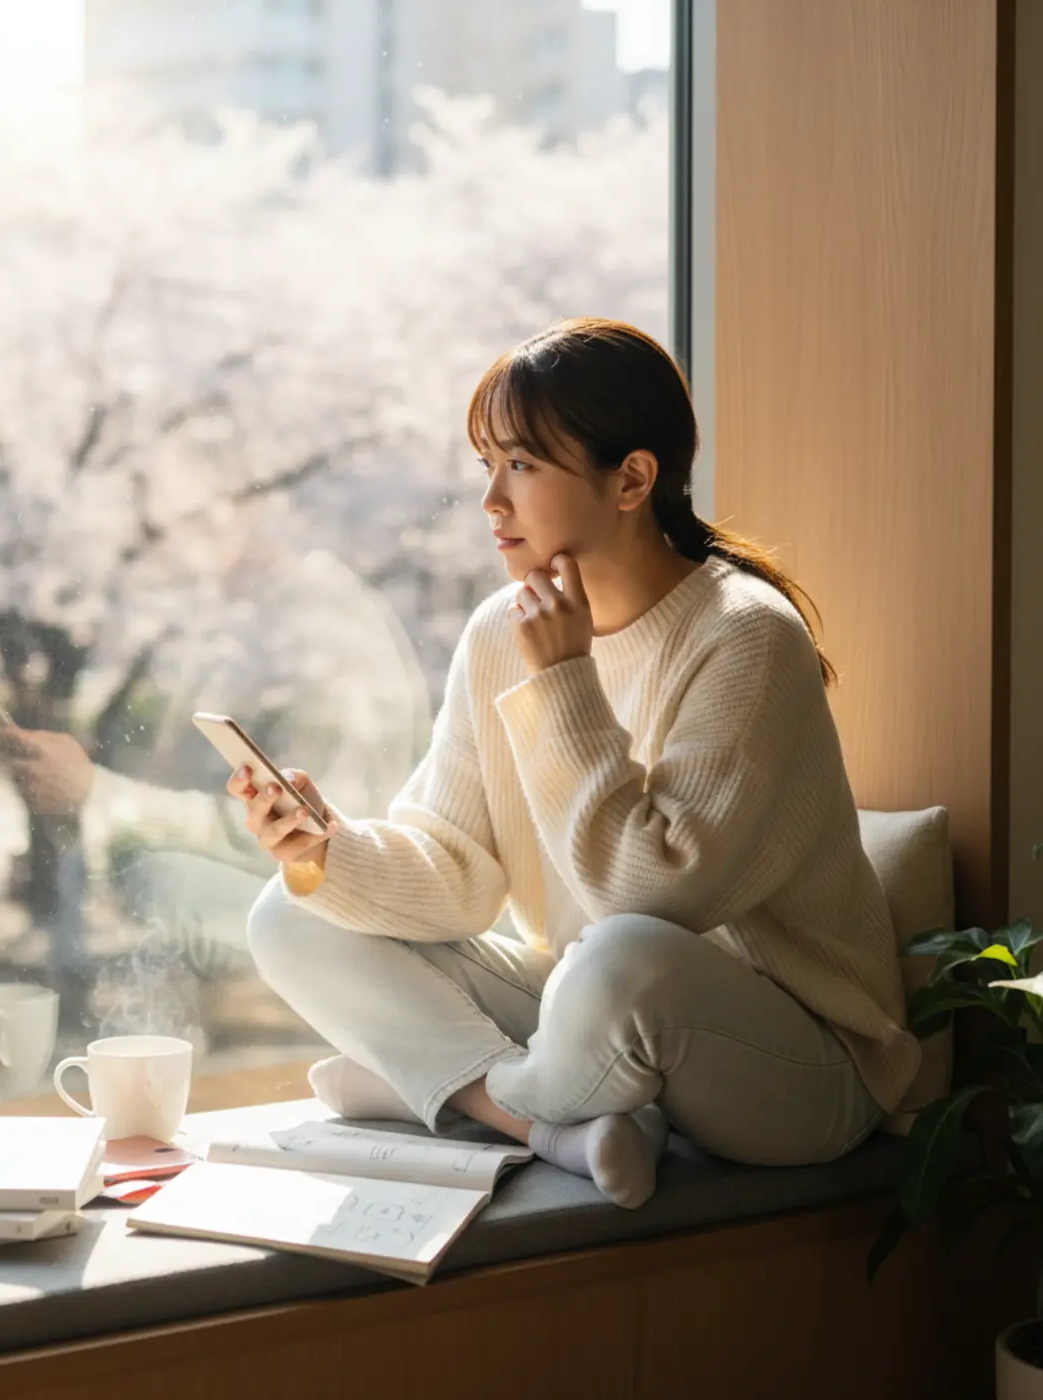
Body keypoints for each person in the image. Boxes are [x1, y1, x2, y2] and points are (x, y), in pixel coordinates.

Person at [226, 318, 921, 1210]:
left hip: (799, 1061)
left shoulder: (746, 638)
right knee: (291, 915)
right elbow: (458, 869)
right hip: (594, 1013)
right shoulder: (499, 631)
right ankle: (548, 1122)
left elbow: (655, 900)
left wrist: (564, 678)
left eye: (521, 465)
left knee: (620, 957)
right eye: (487, 467)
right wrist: (326, 851)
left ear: (631, 478)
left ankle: (441, 1090)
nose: (491, 502)